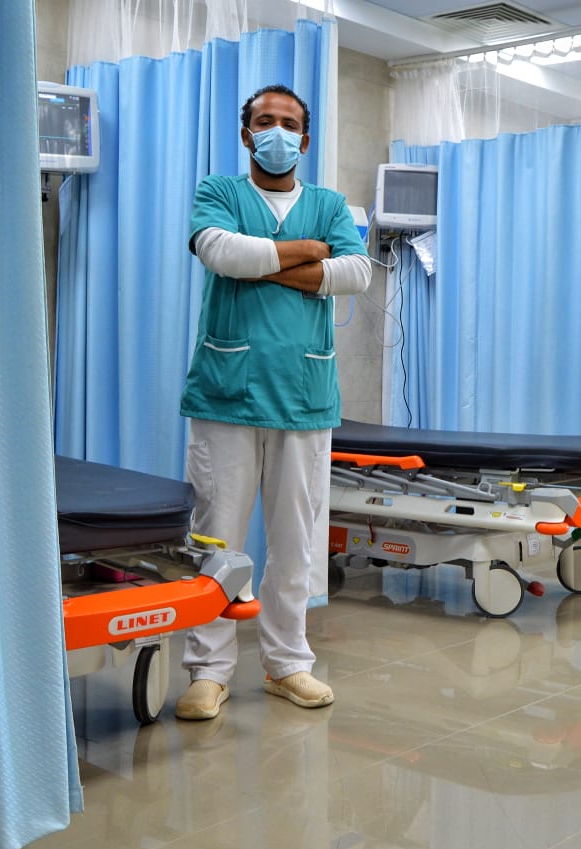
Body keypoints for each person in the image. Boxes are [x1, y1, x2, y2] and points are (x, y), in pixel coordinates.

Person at [174, 84, 372, 718]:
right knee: (216, 539)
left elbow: (356, 273)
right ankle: (208, 670)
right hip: (226, 392)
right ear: (246, 134)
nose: (277, 132)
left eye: (288, 123)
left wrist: (264, 263)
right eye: (265, 121)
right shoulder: (220, 191)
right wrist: (309, 254)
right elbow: (219, 252)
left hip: (303, 396)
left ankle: (288, 664)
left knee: (295, 542)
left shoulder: (329, 204)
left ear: (305, 140)